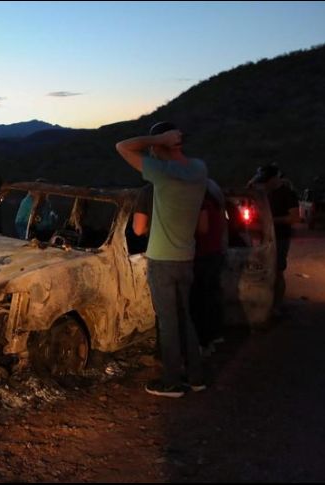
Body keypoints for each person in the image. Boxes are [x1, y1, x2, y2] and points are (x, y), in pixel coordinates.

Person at [115, 121, 208, 398]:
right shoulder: (199, 168)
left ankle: (171, 381)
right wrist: (165, 141)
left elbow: (122, 147)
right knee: (185, 316)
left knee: (167, 321)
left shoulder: (163, 175)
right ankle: (196, 376)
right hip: (186, 256)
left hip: (162, 259)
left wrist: (157, 139)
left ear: (161, 148)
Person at [248, 163, 299, 312]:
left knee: (277, 270)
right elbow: (249, 188)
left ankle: (277, 305)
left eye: (266, 180)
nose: (264, 184)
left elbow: (294, 218)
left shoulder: (287, 193)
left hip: (281, 237)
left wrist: (271, 221)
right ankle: (267, 301)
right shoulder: (266, 191)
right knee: (265, 269)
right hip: (266, 235)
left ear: (275, 178)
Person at [190, 179, 227, 355]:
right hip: (215, 254)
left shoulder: (202, 204)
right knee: (212, 298)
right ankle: (215, 335)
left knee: (200, 302)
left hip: (203, 257)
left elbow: (202, 229)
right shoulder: (217, 205)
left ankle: (204, 343)